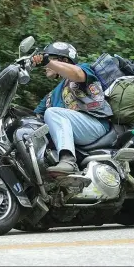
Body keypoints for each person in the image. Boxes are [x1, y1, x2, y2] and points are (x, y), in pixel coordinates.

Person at [32, 42, 113, 174]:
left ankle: (68, 160)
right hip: (78, 131)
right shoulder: (50, 97)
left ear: (64, 60)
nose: (45, 67)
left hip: (95, 125)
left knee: (52, 113)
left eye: (50, 58)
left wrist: (46, 61)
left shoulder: (82, 69)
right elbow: (32, 117)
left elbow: (76, 74)